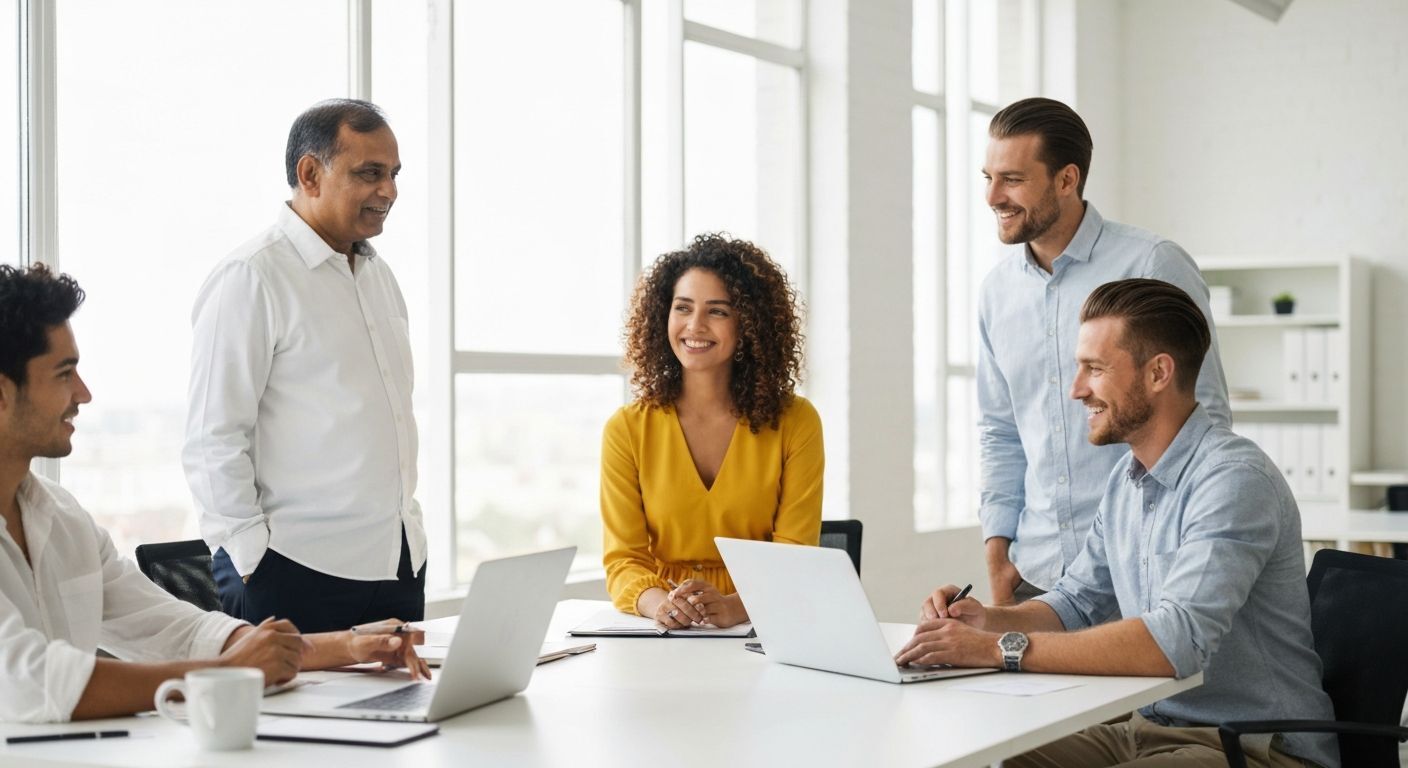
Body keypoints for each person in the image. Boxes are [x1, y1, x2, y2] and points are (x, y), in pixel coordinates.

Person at [898, 279, 1336, 768]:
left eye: (1095, 369)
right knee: (985, 757)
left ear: (1158, 373)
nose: (1076, 389)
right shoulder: (1127, 481)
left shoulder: (1233, 480)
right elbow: (1078, 603)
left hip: (1251, 745)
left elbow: (1177, 641)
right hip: (1145, 729)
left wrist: (1000, 648)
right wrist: (984, 619)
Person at [0, 264, 429, 723]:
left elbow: (175, 629)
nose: (83, 394)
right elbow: (29, 682)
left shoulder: (61, 517)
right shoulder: (251, 278)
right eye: (65, 374)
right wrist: (227, 673)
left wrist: (340, 646)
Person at [975, 97, 1231, 605]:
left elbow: (1208, 416)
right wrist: (998, 555)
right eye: (987, 177)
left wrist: (1184, 547)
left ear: (1067, 180)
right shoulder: (996, 292)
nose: (993, 197)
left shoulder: (1152, 263)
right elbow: (999, 431)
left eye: (1013, 179)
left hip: (1144, 566)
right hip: (1037, 575)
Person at [183, 99, 426, 634]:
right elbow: (212, 437)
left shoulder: (379, 278)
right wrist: (253, 559)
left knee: (404, 719)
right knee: (289, 721)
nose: (389, 191)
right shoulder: (251, 277)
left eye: (393, 174)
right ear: (310, 174)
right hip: (294, 570)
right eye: (370, 173)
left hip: (394, 564)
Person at [601, 234, 823, 630]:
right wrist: (661, 607)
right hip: (666, 627)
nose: (695, 326)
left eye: (717, 311)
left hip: (767, 620)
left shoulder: (796, 421)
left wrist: (735, 607)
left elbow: (796, 555)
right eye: (682, 308)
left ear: (749, 324)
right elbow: (624, 561)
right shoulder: (628, 429)